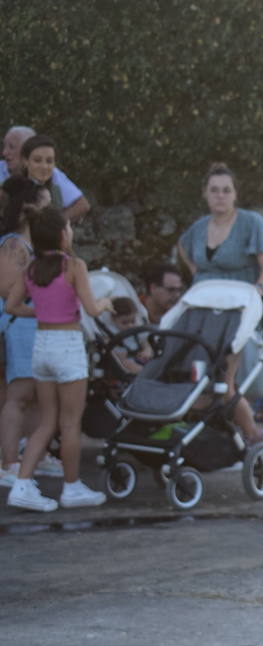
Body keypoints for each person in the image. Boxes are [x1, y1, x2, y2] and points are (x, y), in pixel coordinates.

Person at [4, 206, 111, 511]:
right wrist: (105, 302)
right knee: (70, 423)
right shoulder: (74, 266)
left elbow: (11, 306)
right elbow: (91, 309)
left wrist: (40, 311)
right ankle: (72, 487)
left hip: (42, 346)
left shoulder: (31, 269)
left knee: (47, 421)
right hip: (67, 346)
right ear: (62, 234)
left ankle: (22, 485)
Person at [176, 162, 263, 446]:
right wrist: (199, 275)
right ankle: (206, 432)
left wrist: (258, 290)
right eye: (214, 190)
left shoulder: (250, 223)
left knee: (223, 377)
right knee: (188, 370)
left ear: (235, 194)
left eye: (226, 190)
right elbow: (183, 247)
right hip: (202, 308)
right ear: (205, 193)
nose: (220, 196)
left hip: (236, 310)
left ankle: (251, 433)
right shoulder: (199, 228)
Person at [0, 178, 63, 488]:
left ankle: (34, 456)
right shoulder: (14, 245)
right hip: (18, 327)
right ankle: (10, 463)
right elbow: (6, 288)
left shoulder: (33, 246)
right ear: (28, 209)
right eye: (45, 204)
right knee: (19, 395)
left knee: (40, 394)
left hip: (34, 326)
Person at [1, 126, 89, 224]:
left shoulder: (49, 173)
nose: (4, 152)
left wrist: (54, 225)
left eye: (11, 147)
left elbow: (81, 205)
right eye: (4, 146)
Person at [108, 297, 153, 375]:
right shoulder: (111, 333)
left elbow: (145, 342)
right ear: (113, 319)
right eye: (124, 323)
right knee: (125, 362)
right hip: (125, 361)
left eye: (133, 321)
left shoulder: (137, 328)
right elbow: (118, 357)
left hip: (139, 356)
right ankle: (145, 373)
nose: (130, 325)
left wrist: (147, 351)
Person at [139, 262, 185, 326]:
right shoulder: (134, 310)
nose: (177, 295)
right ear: (153, 288)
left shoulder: (181, 314)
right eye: (171, 290)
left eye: (179, 290)